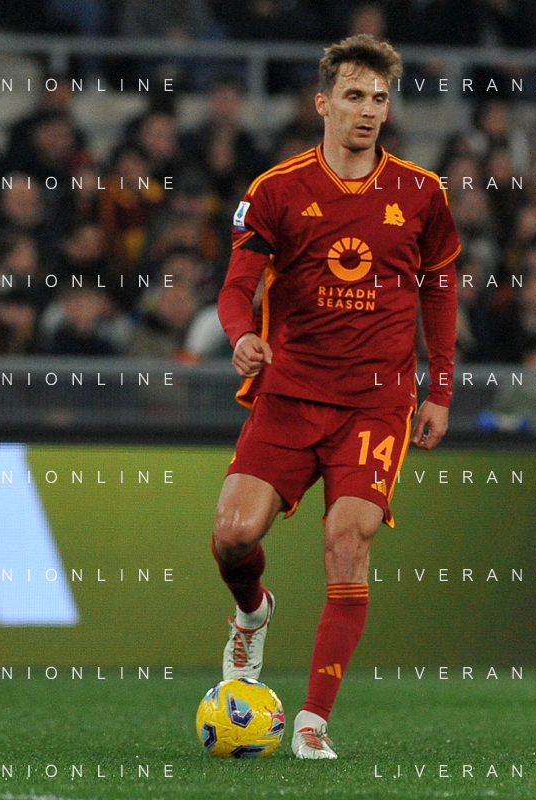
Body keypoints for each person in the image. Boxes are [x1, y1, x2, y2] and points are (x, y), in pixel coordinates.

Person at [210, 34, 461, 758]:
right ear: (322, 103)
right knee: (232, 537)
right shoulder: (275, 189)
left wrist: (440, 387)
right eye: (354, 95)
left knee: (347, 541)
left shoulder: (421, 192)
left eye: (379, 98)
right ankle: (253, 613)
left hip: (377, 403)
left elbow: (440, 288)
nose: (368, 110)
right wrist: (240, 336)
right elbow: (235, 288)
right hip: (289, 394)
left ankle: (313, 721)